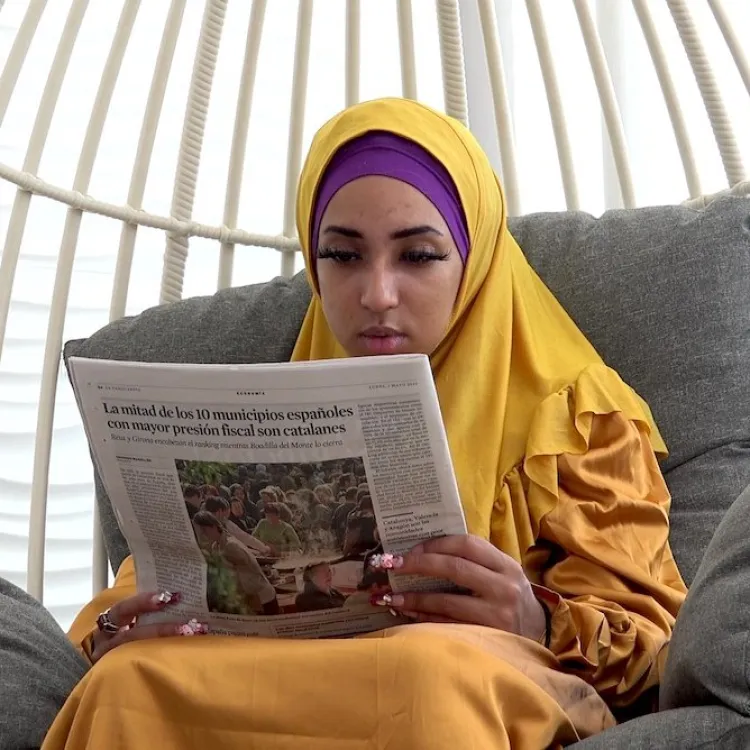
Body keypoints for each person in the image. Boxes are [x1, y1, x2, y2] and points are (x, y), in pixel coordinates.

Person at [42, 98, 686, 749]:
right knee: (125, 680)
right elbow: (145, 586)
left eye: (419, 255)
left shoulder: (576, 413)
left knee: (424, 671)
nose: (377, 295)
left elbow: (656, 647)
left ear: (475, 258)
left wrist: (537, 620)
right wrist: (113, 632)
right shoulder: (274, 399)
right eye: (343, 256)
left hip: (452, 680)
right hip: (278, 676)